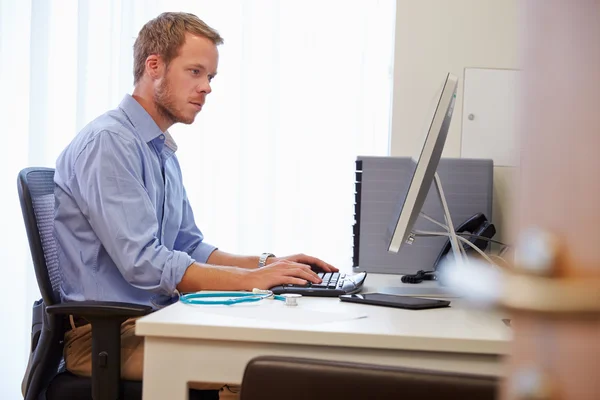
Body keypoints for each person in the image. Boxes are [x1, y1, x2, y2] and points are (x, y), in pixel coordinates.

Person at [53, 11, 337, 398]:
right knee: (268, 373)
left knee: (285, 354)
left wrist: (266, 264)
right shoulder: (110, 144)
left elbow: (188, 246)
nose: (206, 88)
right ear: (154, 66)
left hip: (154, 322)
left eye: (211, 77)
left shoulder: (159, 149)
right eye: (195, 72)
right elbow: (144, 262)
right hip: (107, 339)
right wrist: (249, 282)